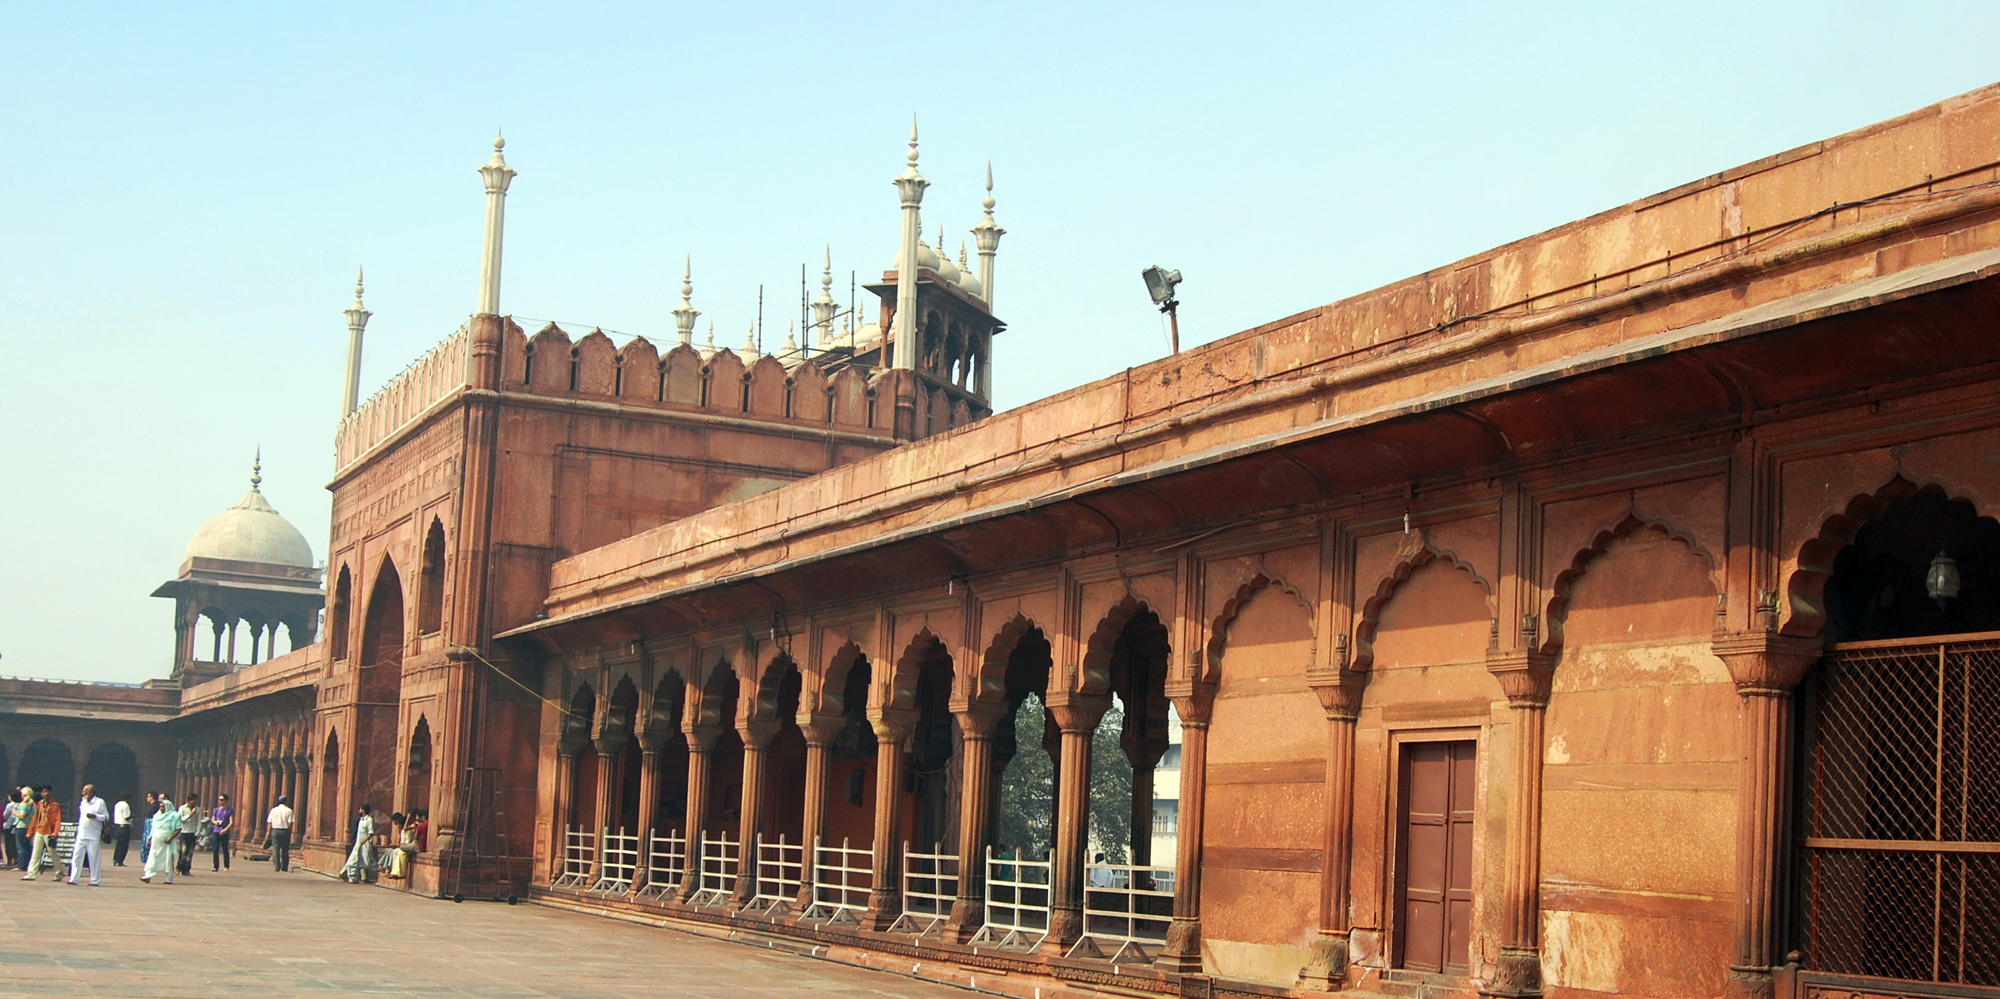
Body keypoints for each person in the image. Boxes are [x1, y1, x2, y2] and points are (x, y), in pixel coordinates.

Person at [67, 783, 109, 886]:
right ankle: (74, 879)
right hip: (81, 834)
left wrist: (95, 816)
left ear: (91, 792)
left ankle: (94, 880)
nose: (82, 793)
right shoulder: (83, 802)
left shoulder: (99, 802)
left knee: (93, 858)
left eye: (85, 791)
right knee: (77, 856)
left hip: (93, 834)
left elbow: (106, 816)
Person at [22, 787, 60, 880]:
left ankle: (59, 873)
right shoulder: (40, 804)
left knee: (52, 854)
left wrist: (55, 832)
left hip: (49, 832)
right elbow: (36, 819)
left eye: (47, 791)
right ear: (42, 793)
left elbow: (57, 820)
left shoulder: (55, 805)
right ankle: (31, 873)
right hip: (39, 831)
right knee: (35, 853)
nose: (46, 793)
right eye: (44, 792)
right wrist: (30, 832)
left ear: (50, 792)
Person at [142, 793, 180, 884]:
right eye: (161, 806)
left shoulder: (174, 816)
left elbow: (178, 829)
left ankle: (169, 879)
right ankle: (148, 876)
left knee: (168, 860)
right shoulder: (157, 816)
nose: (161, 808)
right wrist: (149, 839)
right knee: (153, 858)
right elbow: (154, 829)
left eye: (163, 807)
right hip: (156, 843)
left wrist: (170, 838)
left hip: (167, 842)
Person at [341, 804, 377, 884]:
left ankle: (379, 874)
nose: (359, 810)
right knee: (353, 860)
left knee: (368, 861)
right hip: (358, 843)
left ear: (363, 810)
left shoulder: (369, 820)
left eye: (360, 809)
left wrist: (365, 840)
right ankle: (352, 878)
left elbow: (371, 832)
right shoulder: (361, 820)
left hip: (365, 844)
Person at [266, 795, 294, 872]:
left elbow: (269, 822)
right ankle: (284, 866)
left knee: (276, 849)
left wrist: (268, 832)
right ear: (285, 801)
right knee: (285, 849)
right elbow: (290, 823)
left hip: (275, 830)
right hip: (284, 830)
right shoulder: (289, 810)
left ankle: (277, 866)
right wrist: (290, 832)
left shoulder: (273, 810)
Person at [210, 793, 234, 871]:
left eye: (222, 800)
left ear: (226, 801)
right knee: (215, 849)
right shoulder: (217, 809)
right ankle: (215, 866)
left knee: (225, 849)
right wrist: (215, 822)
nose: (220, 801)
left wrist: (225, 829)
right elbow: (213, 819)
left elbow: (231, 822)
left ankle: (226, 866)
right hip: (216, 830)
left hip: (224, 831)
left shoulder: (229, 810)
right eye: (219, 799)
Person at [176, 795, 198, 876]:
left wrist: (197, 832)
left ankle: (186, 870)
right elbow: (180, 819)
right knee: (183, 851)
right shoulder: (182, 808)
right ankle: (179, 867)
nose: (195, 802)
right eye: (194, 800)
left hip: (192, 832)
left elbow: (198, 821)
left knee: (190, 853)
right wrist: (190, 815)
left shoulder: (197, 809)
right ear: (189, 800)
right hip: (184, 832)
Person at [112, 794, 133, 866]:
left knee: (118, 844)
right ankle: (120, 861)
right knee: (123, 845)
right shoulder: (125, 805)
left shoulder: (117, 804)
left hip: (118, 826)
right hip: (124, 826)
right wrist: (133, 816)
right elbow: (126, 817)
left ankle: (115, 859)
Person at [138, 792, 156, 866]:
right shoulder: (152, 805)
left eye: (148, 797)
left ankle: (146, 857)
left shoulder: (154, 806)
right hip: (148, 824)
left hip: (150, 825)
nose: (147, 798)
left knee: (148, 841)